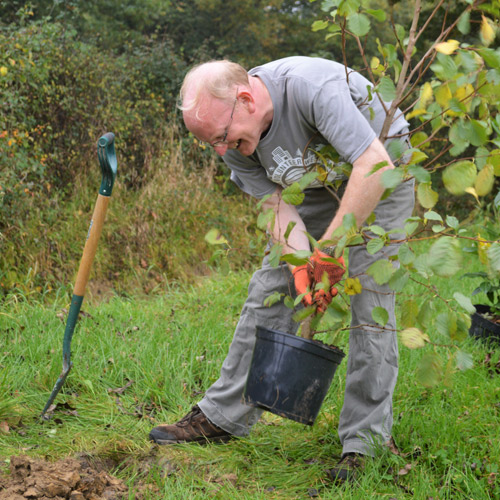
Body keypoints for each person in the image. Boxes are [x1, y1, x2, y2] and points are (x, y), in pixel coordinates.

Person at [149, 56, 415, 484]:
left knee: (371, 302)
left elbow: (375, 163)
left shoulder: (310, 89)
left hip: (381, 168)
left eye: (222, 137)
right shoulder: (233, 141)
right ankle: (221, 416)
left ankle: (365, 442)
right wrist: (301, 267)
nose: (220, 150)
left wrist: (328, 253)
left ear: (246, 100)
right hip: (313, 186)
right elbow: (276, 206)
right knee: (269, 287)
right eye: (212, 143)